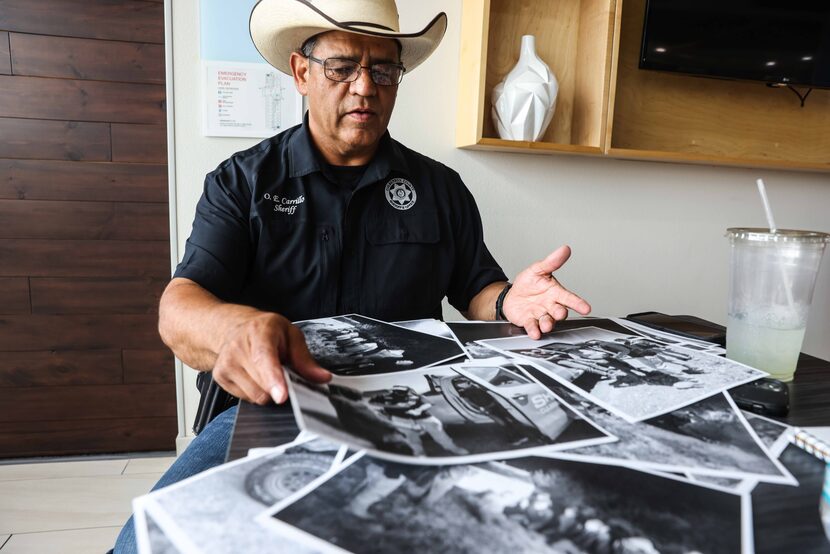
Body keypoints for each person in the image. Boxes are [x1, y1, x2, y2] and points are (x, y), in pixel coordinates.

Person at [111, 1, 590, 551]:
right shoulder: (240, 183)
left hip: (416, 406)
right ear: (301, 72)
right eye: (342, 67)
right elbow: (180, 305)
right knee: (147, 543)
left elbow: (476, 288)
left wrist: (511, 301)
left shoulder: (441, 188)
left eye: (384, 71)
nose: (365, 88)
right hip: (272, 405)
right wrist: (232, 331)